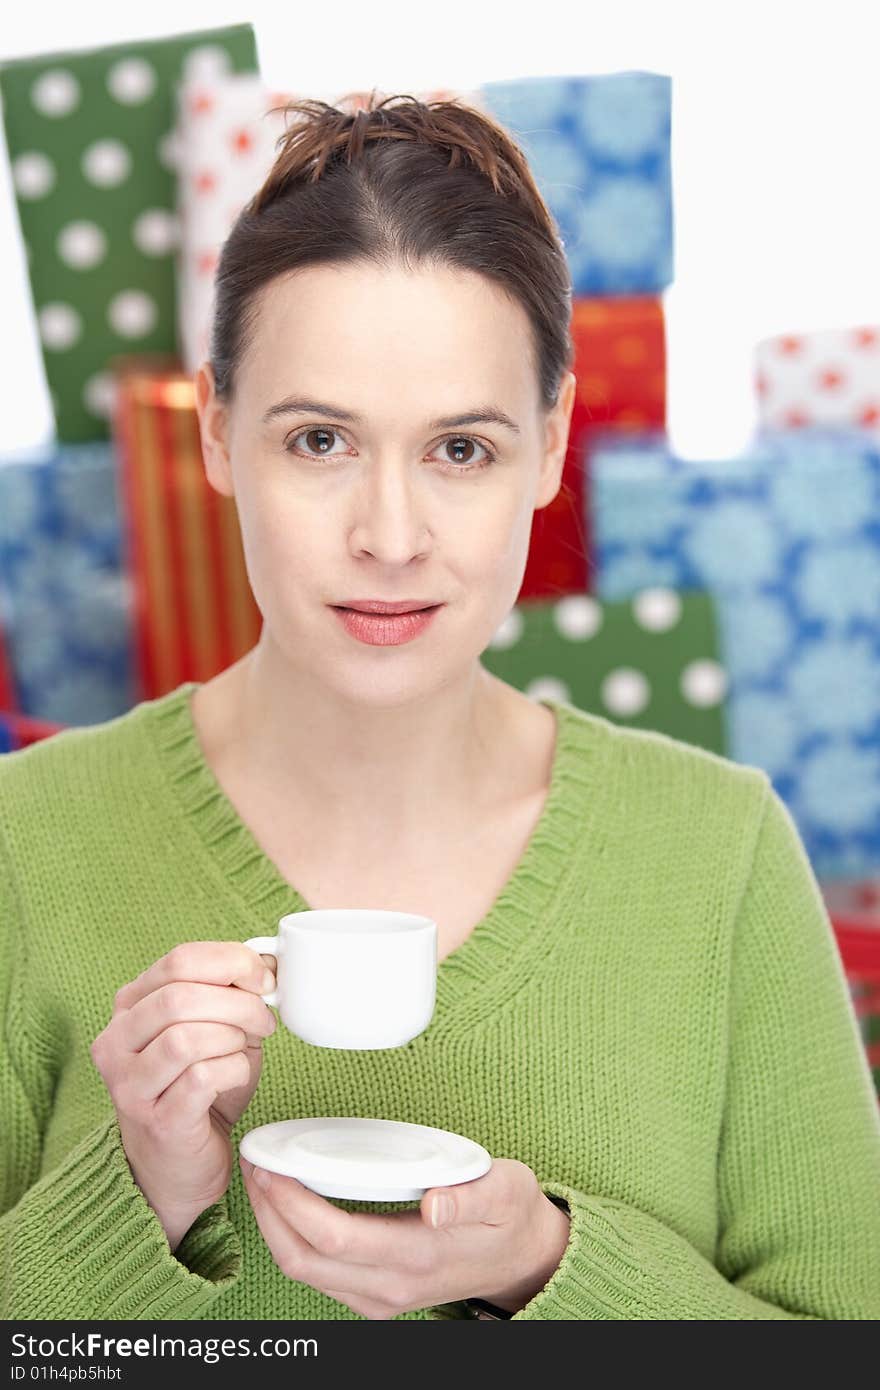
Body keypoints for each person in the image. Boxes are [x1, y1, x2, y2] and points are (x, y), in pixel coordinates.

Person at [1, 92, 879, 1323]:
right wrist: (134, 1188)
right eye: (319, 442)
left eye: (459, 449)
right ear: (214, 434)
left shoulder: (718, 851)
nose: (391, 537)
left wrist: (545, 1270)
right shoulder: (24, 841)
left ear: (551, 442)